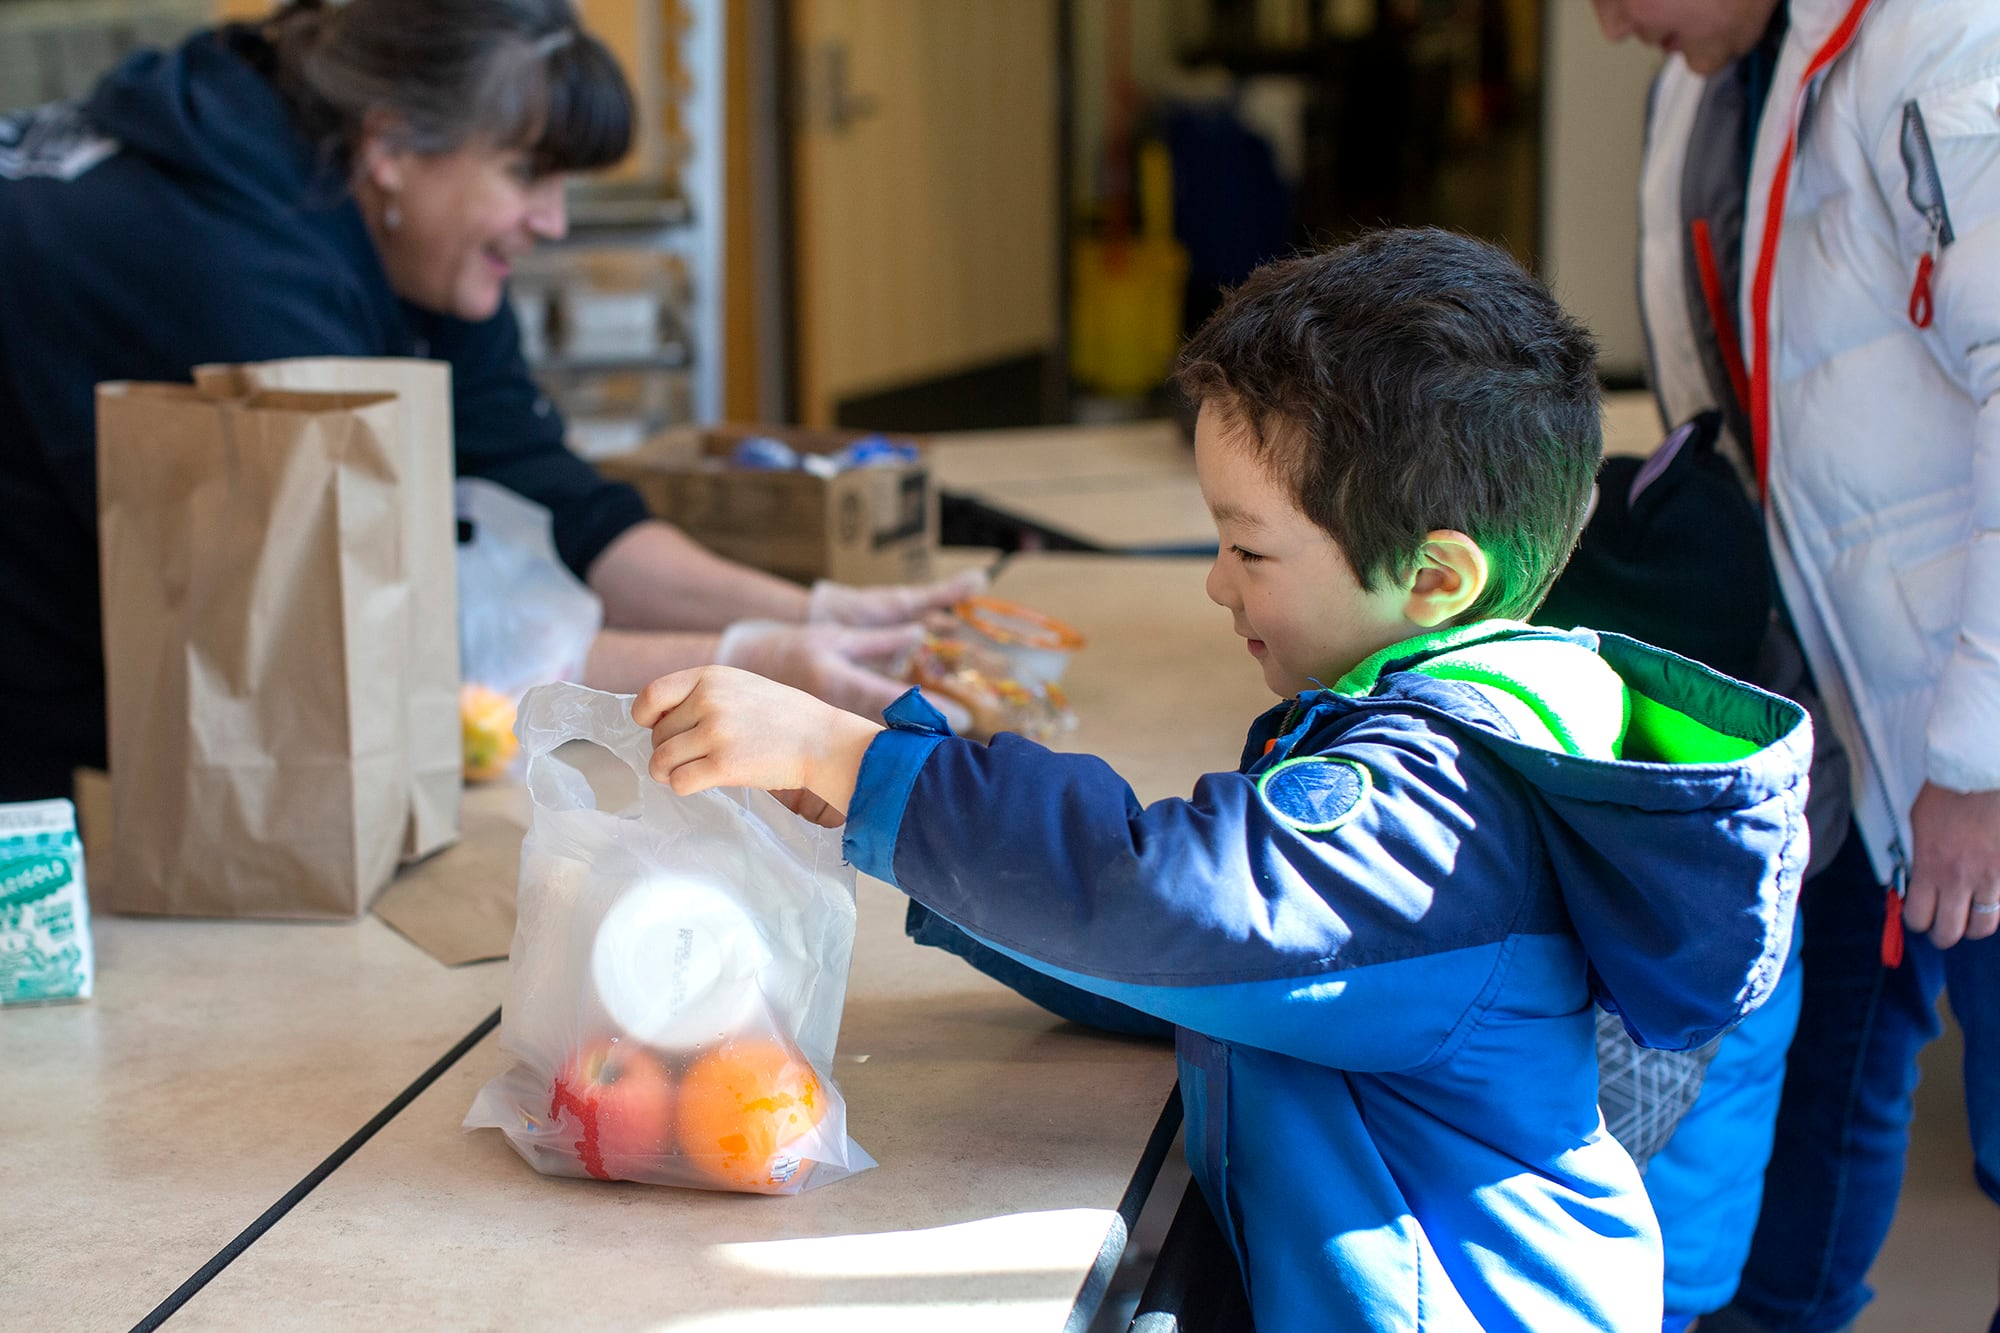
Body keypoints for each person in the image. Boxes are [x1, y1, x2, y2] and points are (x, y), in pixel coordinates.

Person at [627, 229, 1814, 1330]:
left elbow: (1182, 901)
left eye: (1247, 548)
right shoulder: (1424, 729)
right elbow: (1211, 968)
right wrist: (895, 805)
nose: (1214, 583)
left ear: (1435, 577)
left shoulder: (1436, 800)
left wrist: (858, 761)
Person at [0, 0, 972, 805]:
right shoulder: (230, 270)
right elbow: (366, 624)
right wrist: (746, 665)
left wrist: (821, 619)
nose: (551, 222)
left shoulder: (396, 228)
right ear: (392, 146)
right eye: (527, 175)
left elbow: (556, 496)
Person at [1592, 2, 2000, 1331]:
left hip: (1963, 730)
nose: (1606, 22)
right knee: (1823, 1113)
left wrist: (1980, 759)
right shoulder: (1711, 71)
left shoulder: (1946, 45)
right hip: (1852, 713)